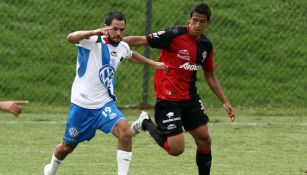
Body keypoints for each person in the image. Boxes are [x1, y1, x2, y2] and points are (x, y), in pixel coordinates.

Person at [43, 11, 167, 175]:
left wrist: (152, 63)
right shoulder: (92, 40)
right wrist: (94, 32)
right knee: (66, 147)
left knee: (124, 133)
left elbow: (131, 54)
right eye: (115, 29)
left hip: (104, 104)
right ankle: (51, 169)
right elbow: (71, 37)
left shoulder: (122, 46)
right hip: (82, 105)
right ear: (106, 27)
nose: (119, 33)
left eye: (122, 30)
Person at [124, 2, 235, 175]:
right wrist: (113, 40)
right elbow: (142, 40)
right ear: (189, 19)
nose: (198, 25)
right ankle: (145, 123)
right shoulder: (173, 34)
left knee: (204, 140)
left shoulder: (206, 45)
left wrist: (225, 102)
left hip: (190, 98)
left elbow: (210, 75)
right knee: (176, 150)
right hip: (168, 99)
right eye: (195, 20)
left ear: (207, 23)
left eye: (202, 21)